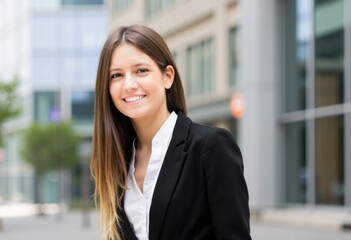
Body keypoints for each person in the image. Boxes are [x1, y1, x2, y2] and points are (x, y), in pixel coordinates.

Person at [90, 24, 251, 240]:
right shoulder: (117, 162)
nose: (128, 84)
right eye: (117, 75)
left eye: (141, 70)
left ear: (168, 76)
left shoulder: (209, 146)